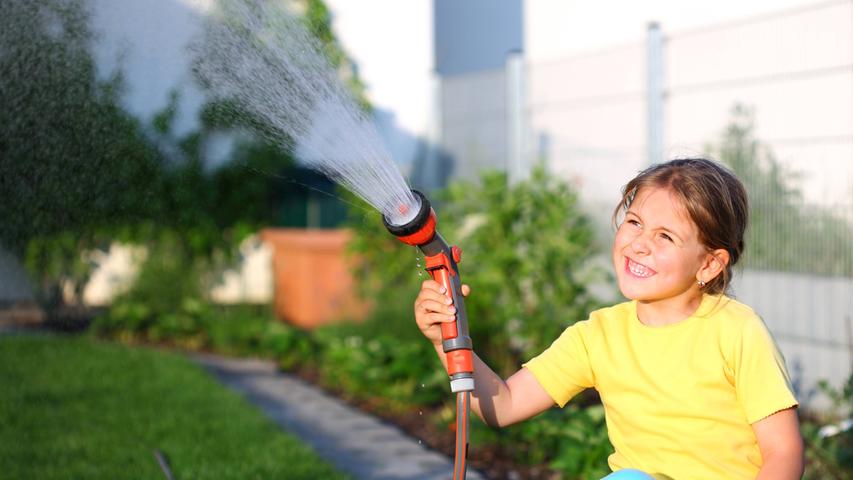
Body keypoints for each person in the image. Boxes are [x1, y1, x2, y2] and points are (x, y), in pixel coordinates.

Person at [413, 158, 804, 479]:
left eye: (665, 237)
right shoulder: (598, 335)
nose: (639, 245)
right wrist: (443, 338)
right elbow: (505, 404)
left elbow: (782, 452)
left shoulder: (736, 331)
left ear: (708, 264)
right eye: (634, 223)